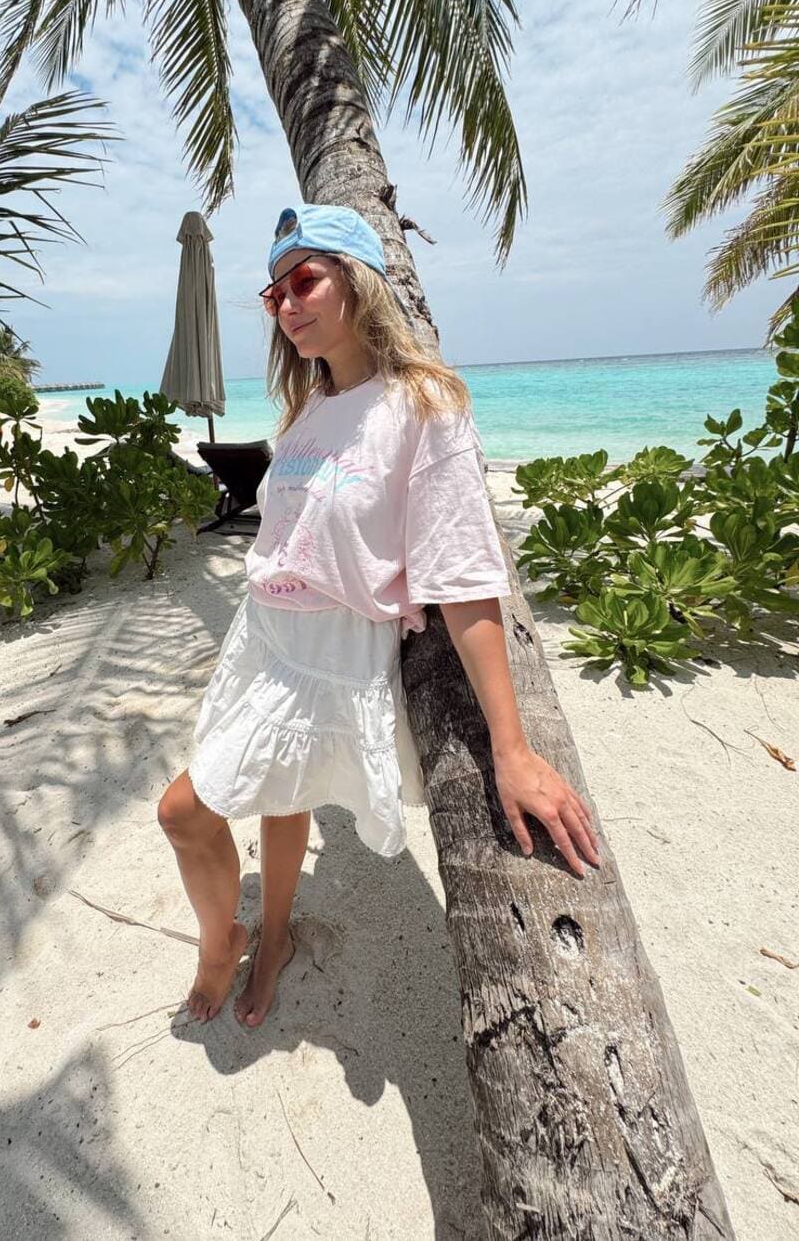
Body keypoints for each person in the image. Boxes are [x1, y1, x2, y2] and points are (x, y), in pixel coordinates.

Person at [158, 204, 600, 1029]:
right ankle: (261, 936)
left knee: (181, 811)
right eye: (275, 294)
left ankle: (234, 945)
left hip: (330, 650)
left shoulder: (423, 406)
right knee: (278, 795)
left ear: (358, 282)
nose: (287, 305)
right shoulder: (309, 406)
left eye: (304, 280)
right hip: (263, 637)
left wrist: (511, 747)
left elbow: (462, 574)